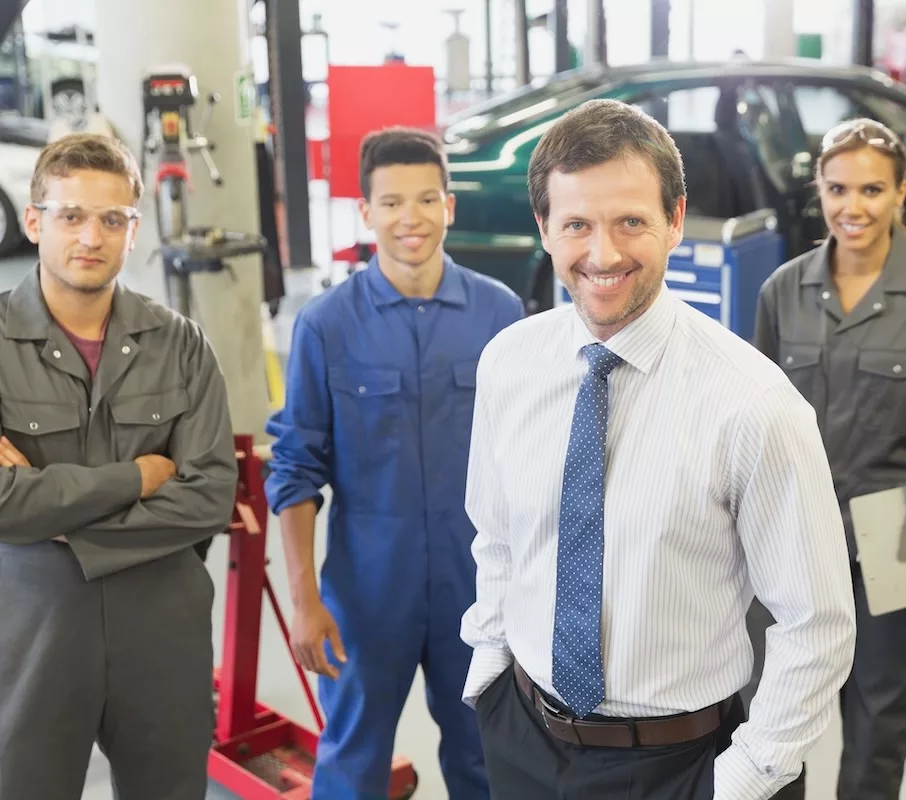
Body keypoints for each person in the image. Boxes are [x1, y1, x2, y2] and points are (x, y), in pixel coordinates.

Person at [459, 98, 857, 800]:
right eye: (577, 224)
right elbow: (498, 537)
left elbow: (816, 626)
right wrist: (491, 667)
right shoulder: (507, 364)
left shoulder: (752, 405)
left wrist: (739, 779)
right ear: (545, 228)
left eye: (631, 222)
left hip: (685, 766)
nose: (603, 254)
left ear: (675, 221)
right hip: (523, 737)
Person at [265, 126, 524, 800]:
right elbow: (296, 466)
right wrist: (304, 601)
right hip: (367, 589)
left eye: (427, 199)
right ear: (364, 212)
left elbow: (532, 457)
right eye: (391, 203)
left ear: (450, 205)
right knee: (353, 758)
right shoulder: (326, 324)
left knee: (487, 755)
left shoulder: (501, 314)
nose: (410, 218)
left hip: (480, 585)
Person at [0, 133, 238, 799]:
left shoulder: (182, 346)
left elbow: (210, 495)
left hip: (163, 630)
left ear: (134, 230)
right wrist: (135, 477)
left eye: (112, 219)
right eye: (70, 215)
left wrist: (56, 518)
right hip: (31, 632)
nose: (91, 236)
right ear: (34, 220)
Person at [747, 117, 906, 800]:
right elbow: (750, 421)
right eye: (838, 188)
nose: (854, 206)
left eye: (872, 189)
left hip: (889, 531)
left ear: (901, 193)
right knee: (776, 711)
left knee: (879, 712)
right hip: (789, 529)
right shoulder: (783, 290)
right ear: (819, 187)